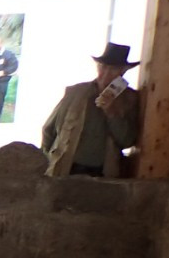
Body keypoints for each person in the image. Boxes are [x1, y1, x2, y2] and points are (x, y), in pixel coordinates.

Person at [41, 42, 141, 178]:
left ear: (123, 71)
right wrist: (46, 159)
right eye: (103, 67)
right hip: (66, 167)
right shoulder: (75, 92)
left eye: (113, 70)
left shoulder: (130, 99)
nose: (106, 74)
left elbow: (127, 141)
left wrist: (112, 113)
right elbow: (49, 129)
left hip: (102, 173)